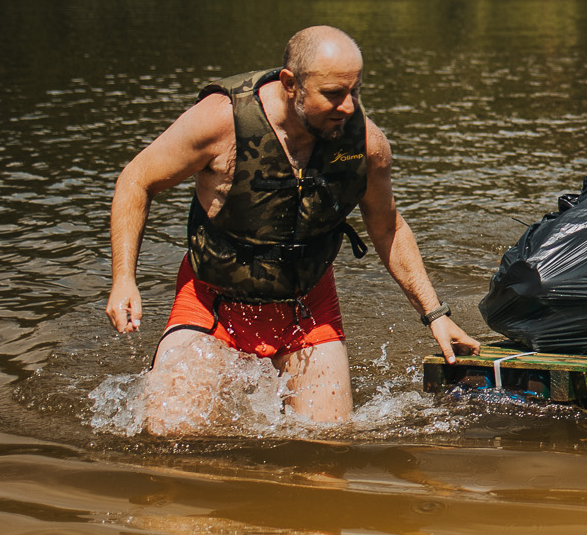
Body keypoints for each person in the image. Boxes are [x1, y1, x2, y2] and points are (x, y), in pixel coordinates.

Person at [106, 26, 478, 435]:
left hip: (306, 307)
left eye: (355, 91)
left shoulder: (366, 146)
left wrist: (435, 314)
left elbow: (387, 227)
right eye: (334, 94)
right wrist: (124, 279)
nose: (349, 107)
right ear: (290, 84)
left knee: (329, 447)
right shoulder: (219, 122)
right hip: (212, 301)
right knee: (169, 435)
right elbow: (136, 180)